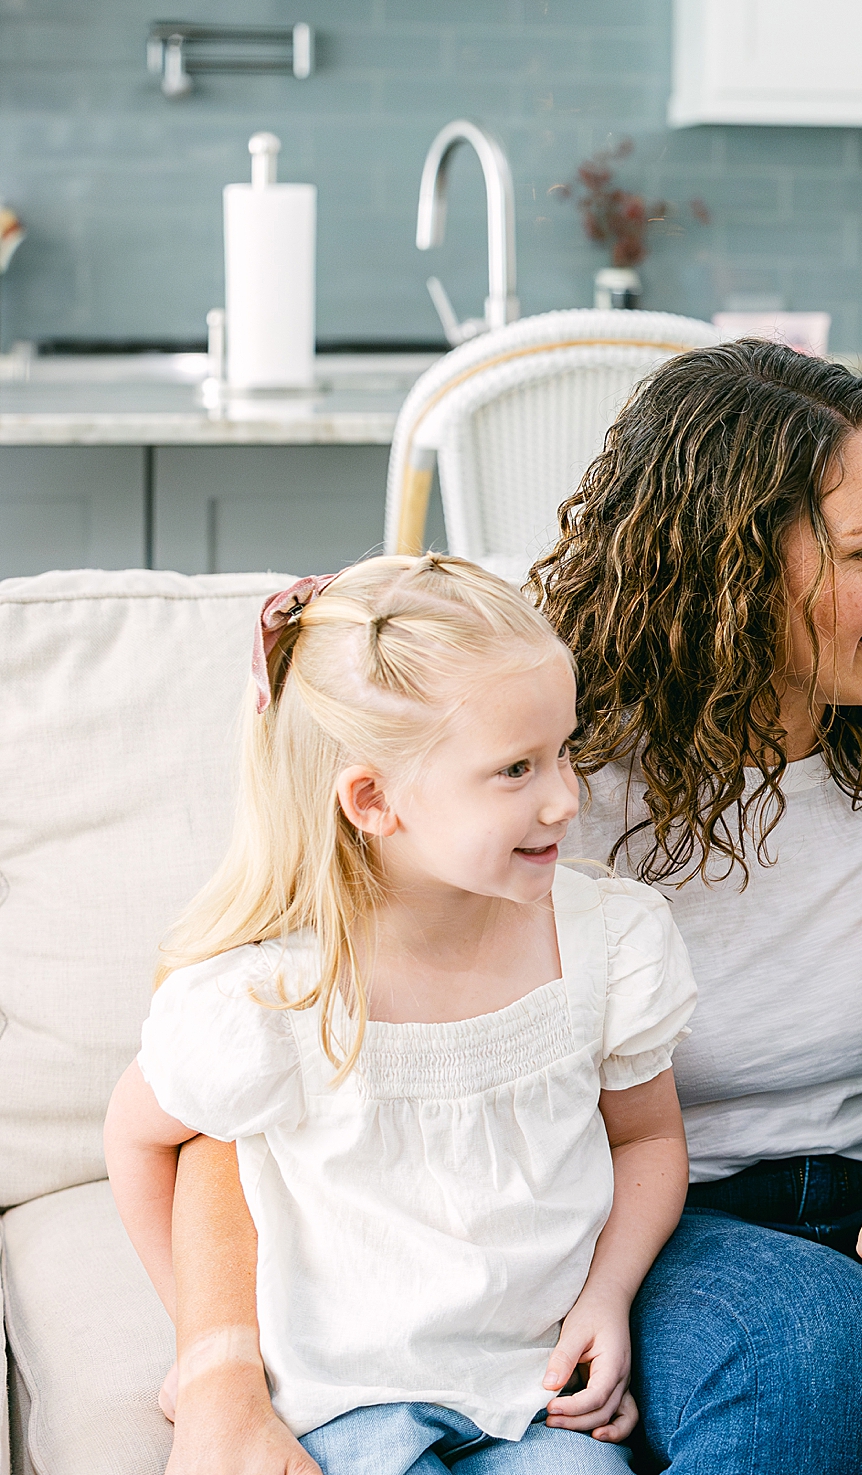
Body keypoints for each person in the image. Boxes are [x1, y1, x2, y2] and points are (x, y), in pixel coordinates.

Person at [150, 341, 862, 1475]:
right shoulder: (541, 796)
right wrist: (224, 1374)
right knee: (817, 1369)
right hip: (693, 1216)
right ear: (729, 570)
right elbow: (229, 1109)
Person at [102, 555, 697, 1473]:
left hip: (533, 1395)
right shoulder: (273, 995)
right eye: (515, 769)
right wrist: (207, 1351)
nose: (565, 797)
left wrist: (607, 1296)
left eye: (565, 749)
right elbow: (138, 1136)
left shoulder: (609, 939)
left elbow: (648, 1138)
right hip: (339, 1404)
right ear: (373, 800)